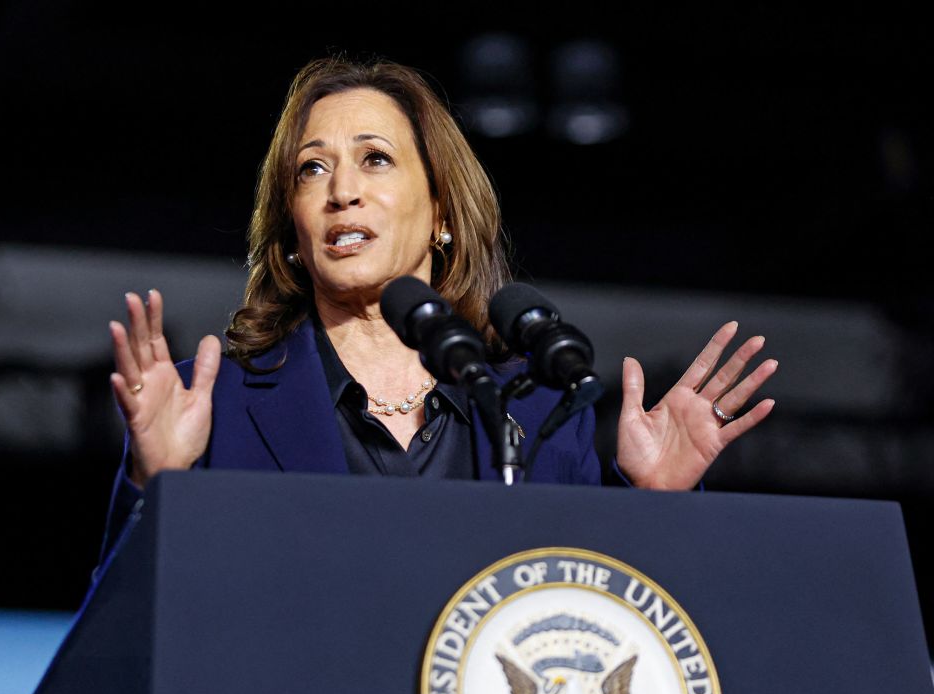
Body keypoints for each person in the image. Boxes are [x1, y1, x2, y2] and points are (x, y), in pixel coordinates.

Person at [100, 57, 777, 566]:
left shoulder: (538, 413)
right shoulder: (216, 405)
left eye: (376, 159)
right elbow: (119, 649)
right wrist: (151, 485)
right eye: (311, 169)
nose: (342, 191)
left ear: (442, 215)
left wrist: (655, 506)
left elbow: (594, 635)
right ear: (293, 234)